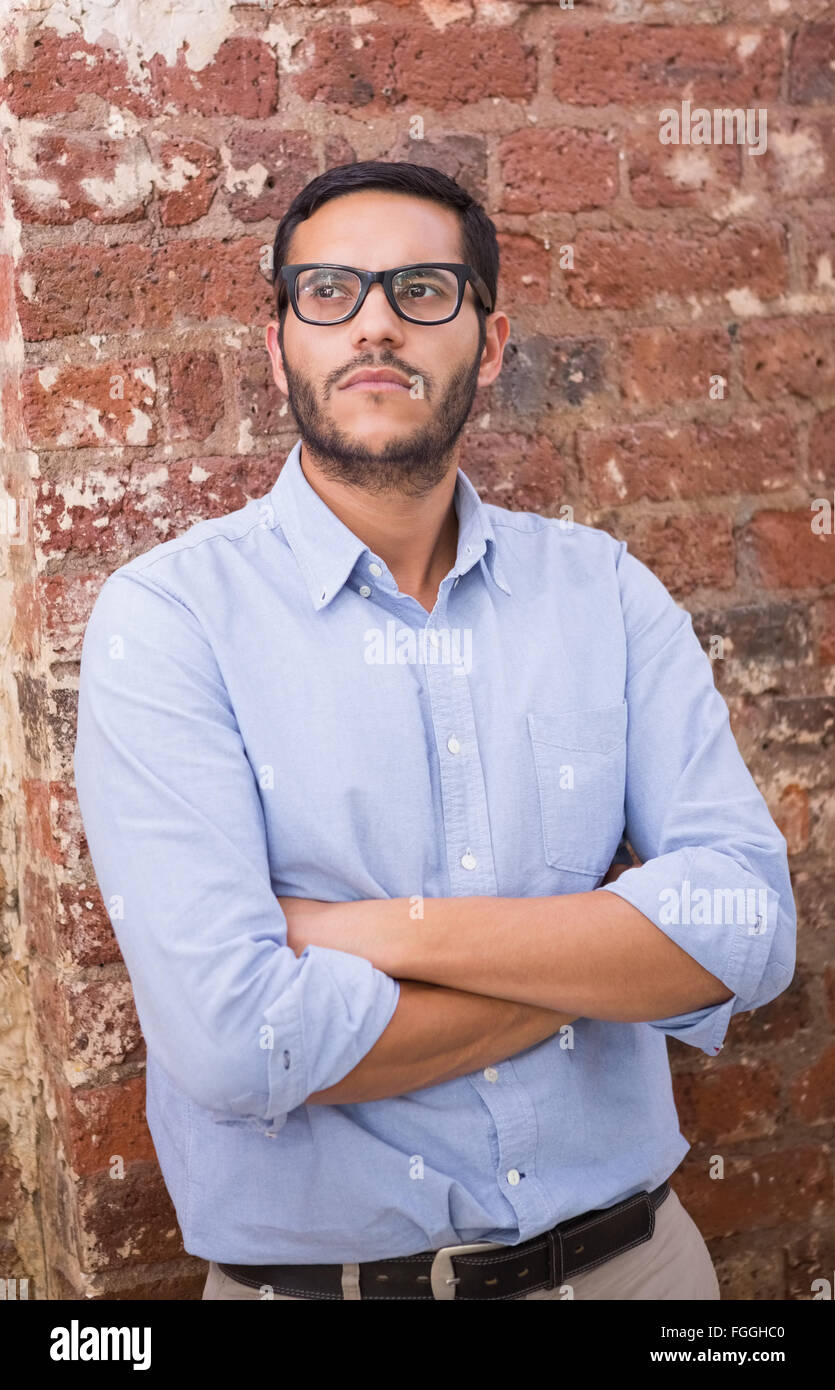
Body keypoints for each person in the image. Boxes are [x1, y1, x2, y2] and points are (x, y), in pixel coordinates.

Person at [73, 161, 795, 1301]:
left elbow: (746, 925)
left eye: (421, 291)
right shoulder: (170, 621)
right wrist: (603, 960)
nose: (372, 324)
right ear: (278, 349)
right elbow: (236, 1041)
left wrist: (367, 933)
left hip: (638, 1273)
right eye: (327, 293)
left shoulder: (602, 591)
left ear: (490, 342)